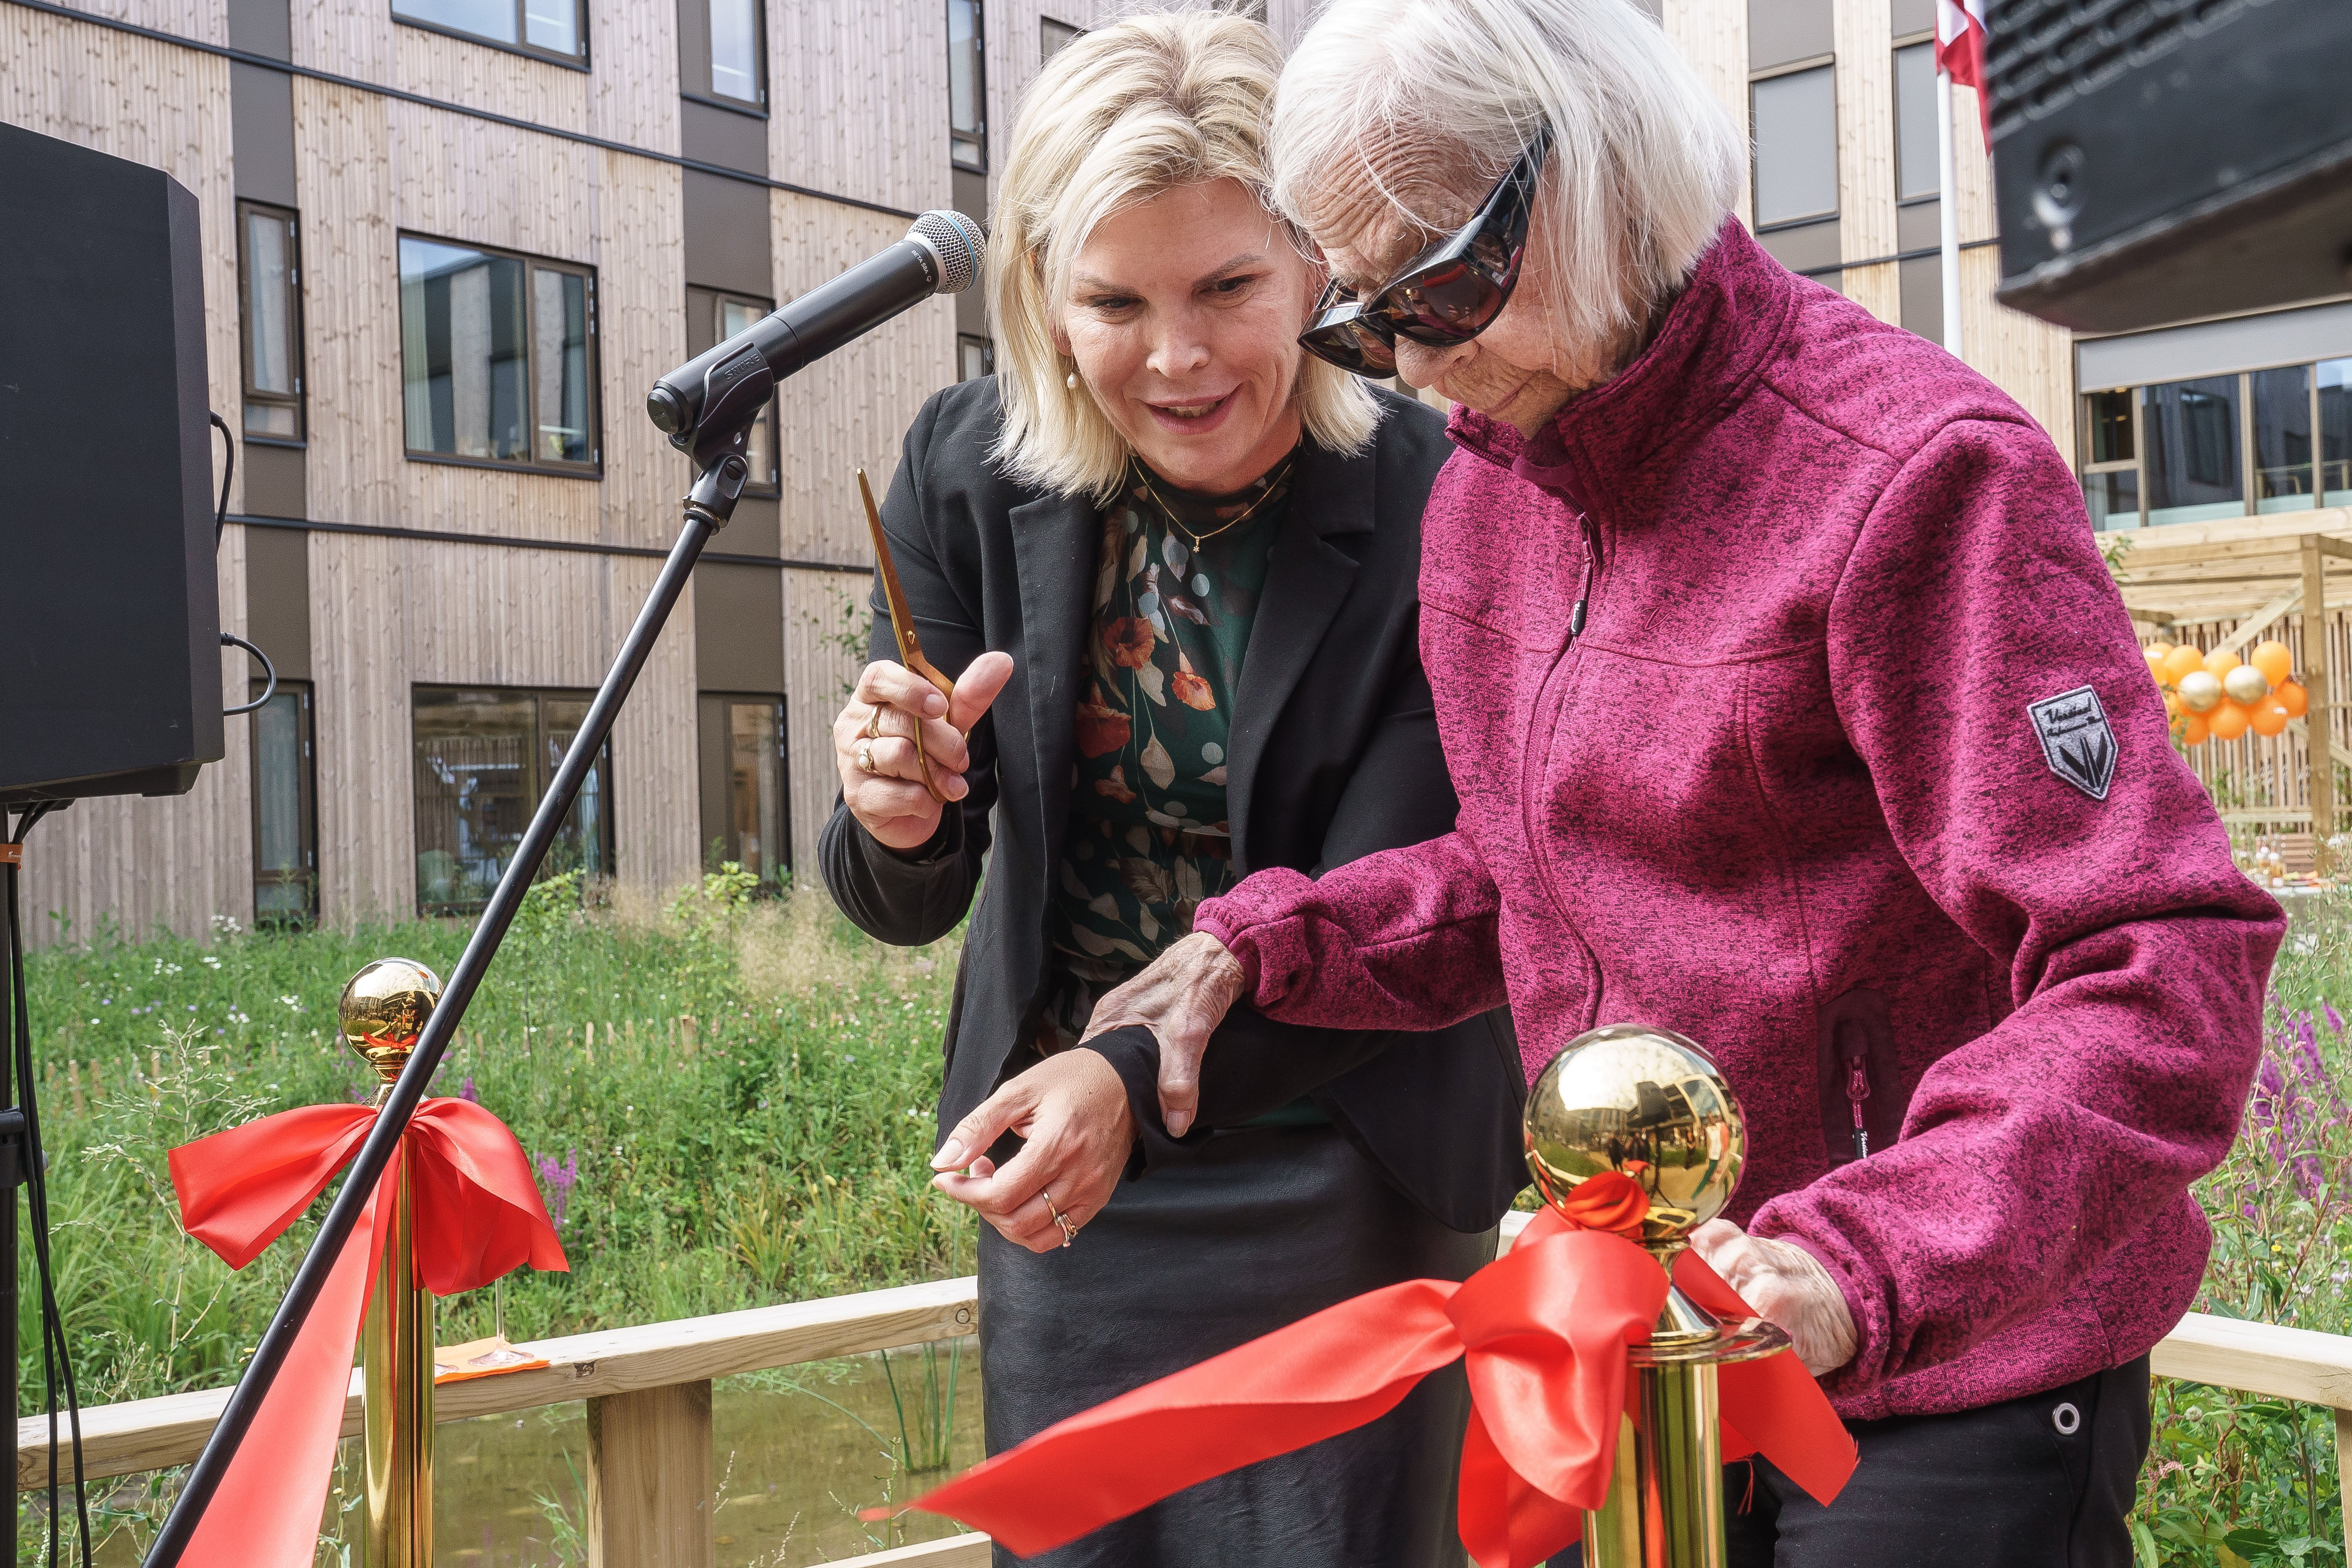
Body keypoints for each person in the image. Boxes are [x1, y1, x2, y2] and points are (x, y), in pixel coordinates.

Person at [1058, 0, 2286, 1561]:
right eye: (1366, 321)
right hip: (1647, 1339)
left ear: (1595, 182)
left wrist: (1865, 1261)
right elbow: (1518, 876)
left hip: (1945, 1363)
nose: (1421, 364)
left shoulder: (1917, 476)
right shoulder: (1490, 503)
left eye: (1442, 289)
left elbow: (2162, 962)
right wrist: (1261, 945)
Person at [816, 13, 1524, 1567]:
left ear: (1319, 271)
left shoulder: (1446, 490)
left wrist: (1127, 1076)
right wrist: (896, 810)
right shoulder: (967, 469)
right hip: (1073, 1191)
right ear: (1039, 304)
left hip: (1353, 1158)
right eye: (1113, 302)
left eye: (1228, 288)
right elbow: (908, 896)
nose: (1178, 356)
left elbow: (1393, 899)